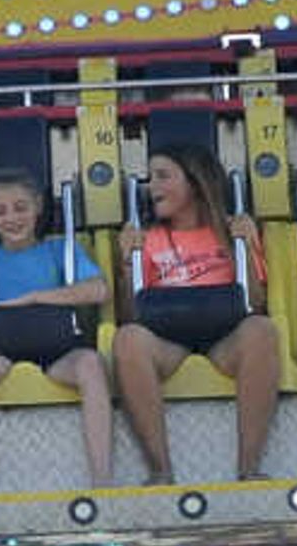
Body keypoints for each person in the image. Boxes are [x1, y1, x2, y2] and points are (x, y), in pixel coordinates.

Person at [111, 147, 283, 483]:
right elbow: (130, 312)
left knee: (262, 330)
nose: (152, 186)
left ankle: (249, 468)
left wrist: (246, 247)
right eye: (149, 178)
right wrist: (127, 262)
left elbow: (257, 302)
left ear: (195, 182)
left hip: (224, 336)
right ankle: (160, 471)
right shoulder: (149, 239)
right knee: (128, 339)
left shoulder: (229, 231)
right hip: (167, 339)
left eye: (163, 176)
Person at [0, 170, 113, 499]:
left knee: (91, 363)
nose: (12, 218)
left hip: (57, 349)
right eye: (0, 211)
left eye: (20, 207)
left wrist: (34, 298)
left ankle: (103, 482)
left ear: (38, 207)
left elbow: (98, 291)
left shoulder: (59, 250)